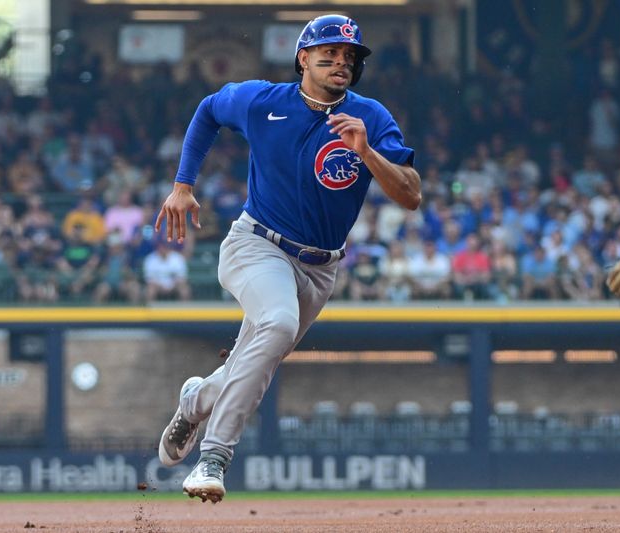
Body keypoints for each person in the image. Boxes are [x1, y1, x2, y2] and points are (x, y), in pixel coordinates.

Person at [154, 14, 420, 503]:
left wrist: (367, 153)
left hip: (321, 268)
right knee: (276, 327)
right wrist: (183, 184)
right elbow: (209, 110)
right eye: (330, 53)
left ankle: (196, 401)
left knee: (261, 354)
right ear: (303, 58)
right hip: (257, 244)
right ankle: (213, 458)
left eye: (350, 56)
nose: (341, 62)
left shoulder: (371, 117)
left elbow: (410, 195)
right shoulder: (263, 101)